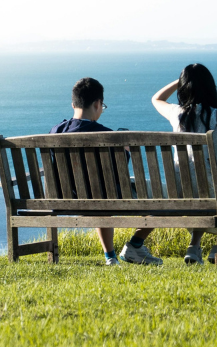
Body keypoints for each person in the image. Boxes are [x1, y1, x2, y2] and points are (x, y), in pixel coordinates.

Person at [50, 77, 162, 267]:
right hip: (103, 197)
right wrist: (125, 151)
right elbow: (117, 172)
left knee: (100, 194)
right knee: (161, 197)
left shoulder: (55, 131)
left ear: (73, 104)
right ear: (97, 104)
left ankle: (110, 257)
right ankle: (135, 244)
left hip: (68, 197)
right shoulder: (104, 135)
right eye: (102, 106)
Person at [142, 63, 217, 265]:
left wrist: (179, 82)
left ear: (184, 88)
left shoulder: (176, 113)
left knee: (203, 194)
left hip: (181, 190)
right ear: (210, 86)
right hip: (211, 189)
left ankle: (194, 248)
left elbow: (156, 99)